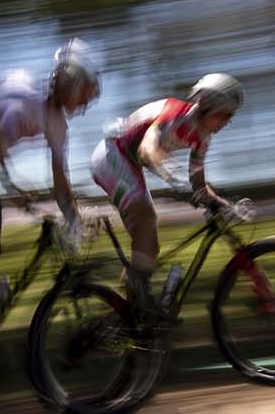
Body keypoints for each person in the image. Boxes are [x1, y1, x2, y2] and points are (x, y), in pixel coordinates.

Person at [0, 39, 102, 339]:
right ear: (70, 83)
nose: (83, 107)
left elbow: (61, 183)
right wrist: (12, 186)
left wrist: (75, 221)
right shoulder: (26, 97)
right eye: (83, 97)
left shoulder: (57, 124)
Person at [90, 72, 245, 313]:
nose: (227, 122)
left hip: (128, 162)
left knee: (149, 246)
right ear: (208, 106)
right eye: (225, 115)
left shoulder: (202, 138)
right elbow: (146, 149)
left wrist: (224, 205)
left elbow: (199, 187)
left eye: (231, 117)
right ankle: (137, 301)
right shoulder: (175, 114)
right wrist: (171, 177)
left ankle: (130, 314)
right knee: (146, 216)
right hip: (111, 155)